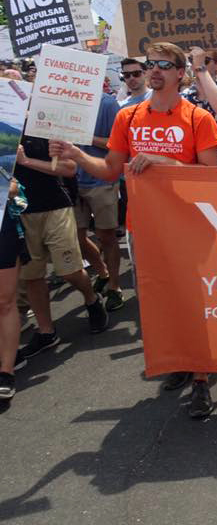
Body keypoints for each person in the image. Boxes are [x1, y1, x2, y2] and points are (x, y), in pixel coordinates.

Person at [49, 42, 217, 418]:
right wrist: (77, 155)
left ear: (181, 73)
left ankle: (201, 380)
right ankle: (180, 359)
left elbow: (213, 180)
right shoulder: (129, 117)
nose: (154, 70)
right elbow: (111, 170)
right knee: (161, 302)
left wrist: (165, 162)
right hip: (143, 228)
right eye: (150, 64)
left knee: (193, 303)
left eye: (164, 64)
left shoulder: (198, 118)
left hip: (190, 229)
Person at [14, 128, 110, 365]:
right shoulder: (7, 127)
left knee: (69, 270)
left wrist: (25, 161)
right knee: (33, 275)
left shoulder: (45, 126)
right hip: (21, 213)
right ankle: (46, 332)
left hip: (56, 207)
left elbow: (69, 168)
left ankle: (91, 299)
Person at [74, 91, 123, 311]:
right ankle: (102, 272)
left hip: (101, 180)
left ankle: (114, 286)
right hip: (70, 181)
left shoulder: (107, 103)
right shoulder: (60, 101)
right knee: (76, 237)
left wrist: (85, 136)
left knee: (107, 236)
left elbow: (119, 144)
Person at [0, 178, 29, 400]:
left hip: (4, 230)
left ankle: (6, 371)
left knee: (4, 302)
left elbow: (15, 189)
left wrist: (11, 190)